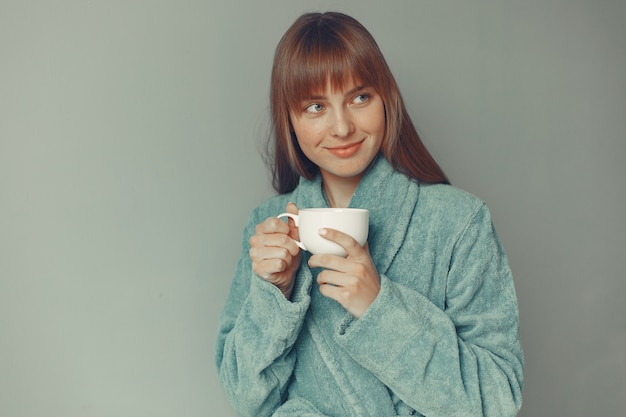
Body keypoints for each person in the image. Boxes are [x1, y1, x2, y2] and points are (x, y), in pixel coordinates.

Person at [215, 11, 523, 417]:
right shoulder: (270, 227)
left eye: (360, 97)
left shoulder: (459, 222)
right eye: (315, 106)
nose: (342, 127)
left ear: (386, 99)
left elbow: (498, 399)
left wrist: (380, 308)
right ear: (289, 118)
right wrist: (275, 294)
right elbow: (246, 399)